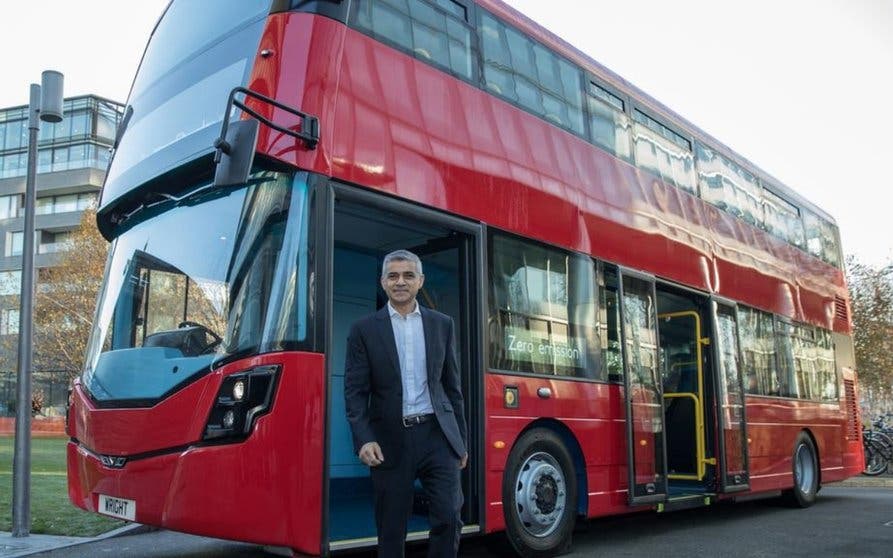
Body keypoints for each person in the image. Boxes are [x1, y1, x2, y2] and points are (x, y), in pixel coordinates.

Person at [344, 249, 468, 558]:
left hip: (438, 436)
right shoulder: (364, 330)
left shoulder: (442, 325)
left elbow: (452, 388)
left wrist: (460, 442)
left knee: (450, 515)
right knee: (391, 526)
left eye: (408, 275)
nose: (401, 282)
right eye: (393, 276)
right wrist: (364, 438)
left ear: (420, 281)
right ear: (383, 282)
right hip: (390, 440)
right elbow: (355, 391)